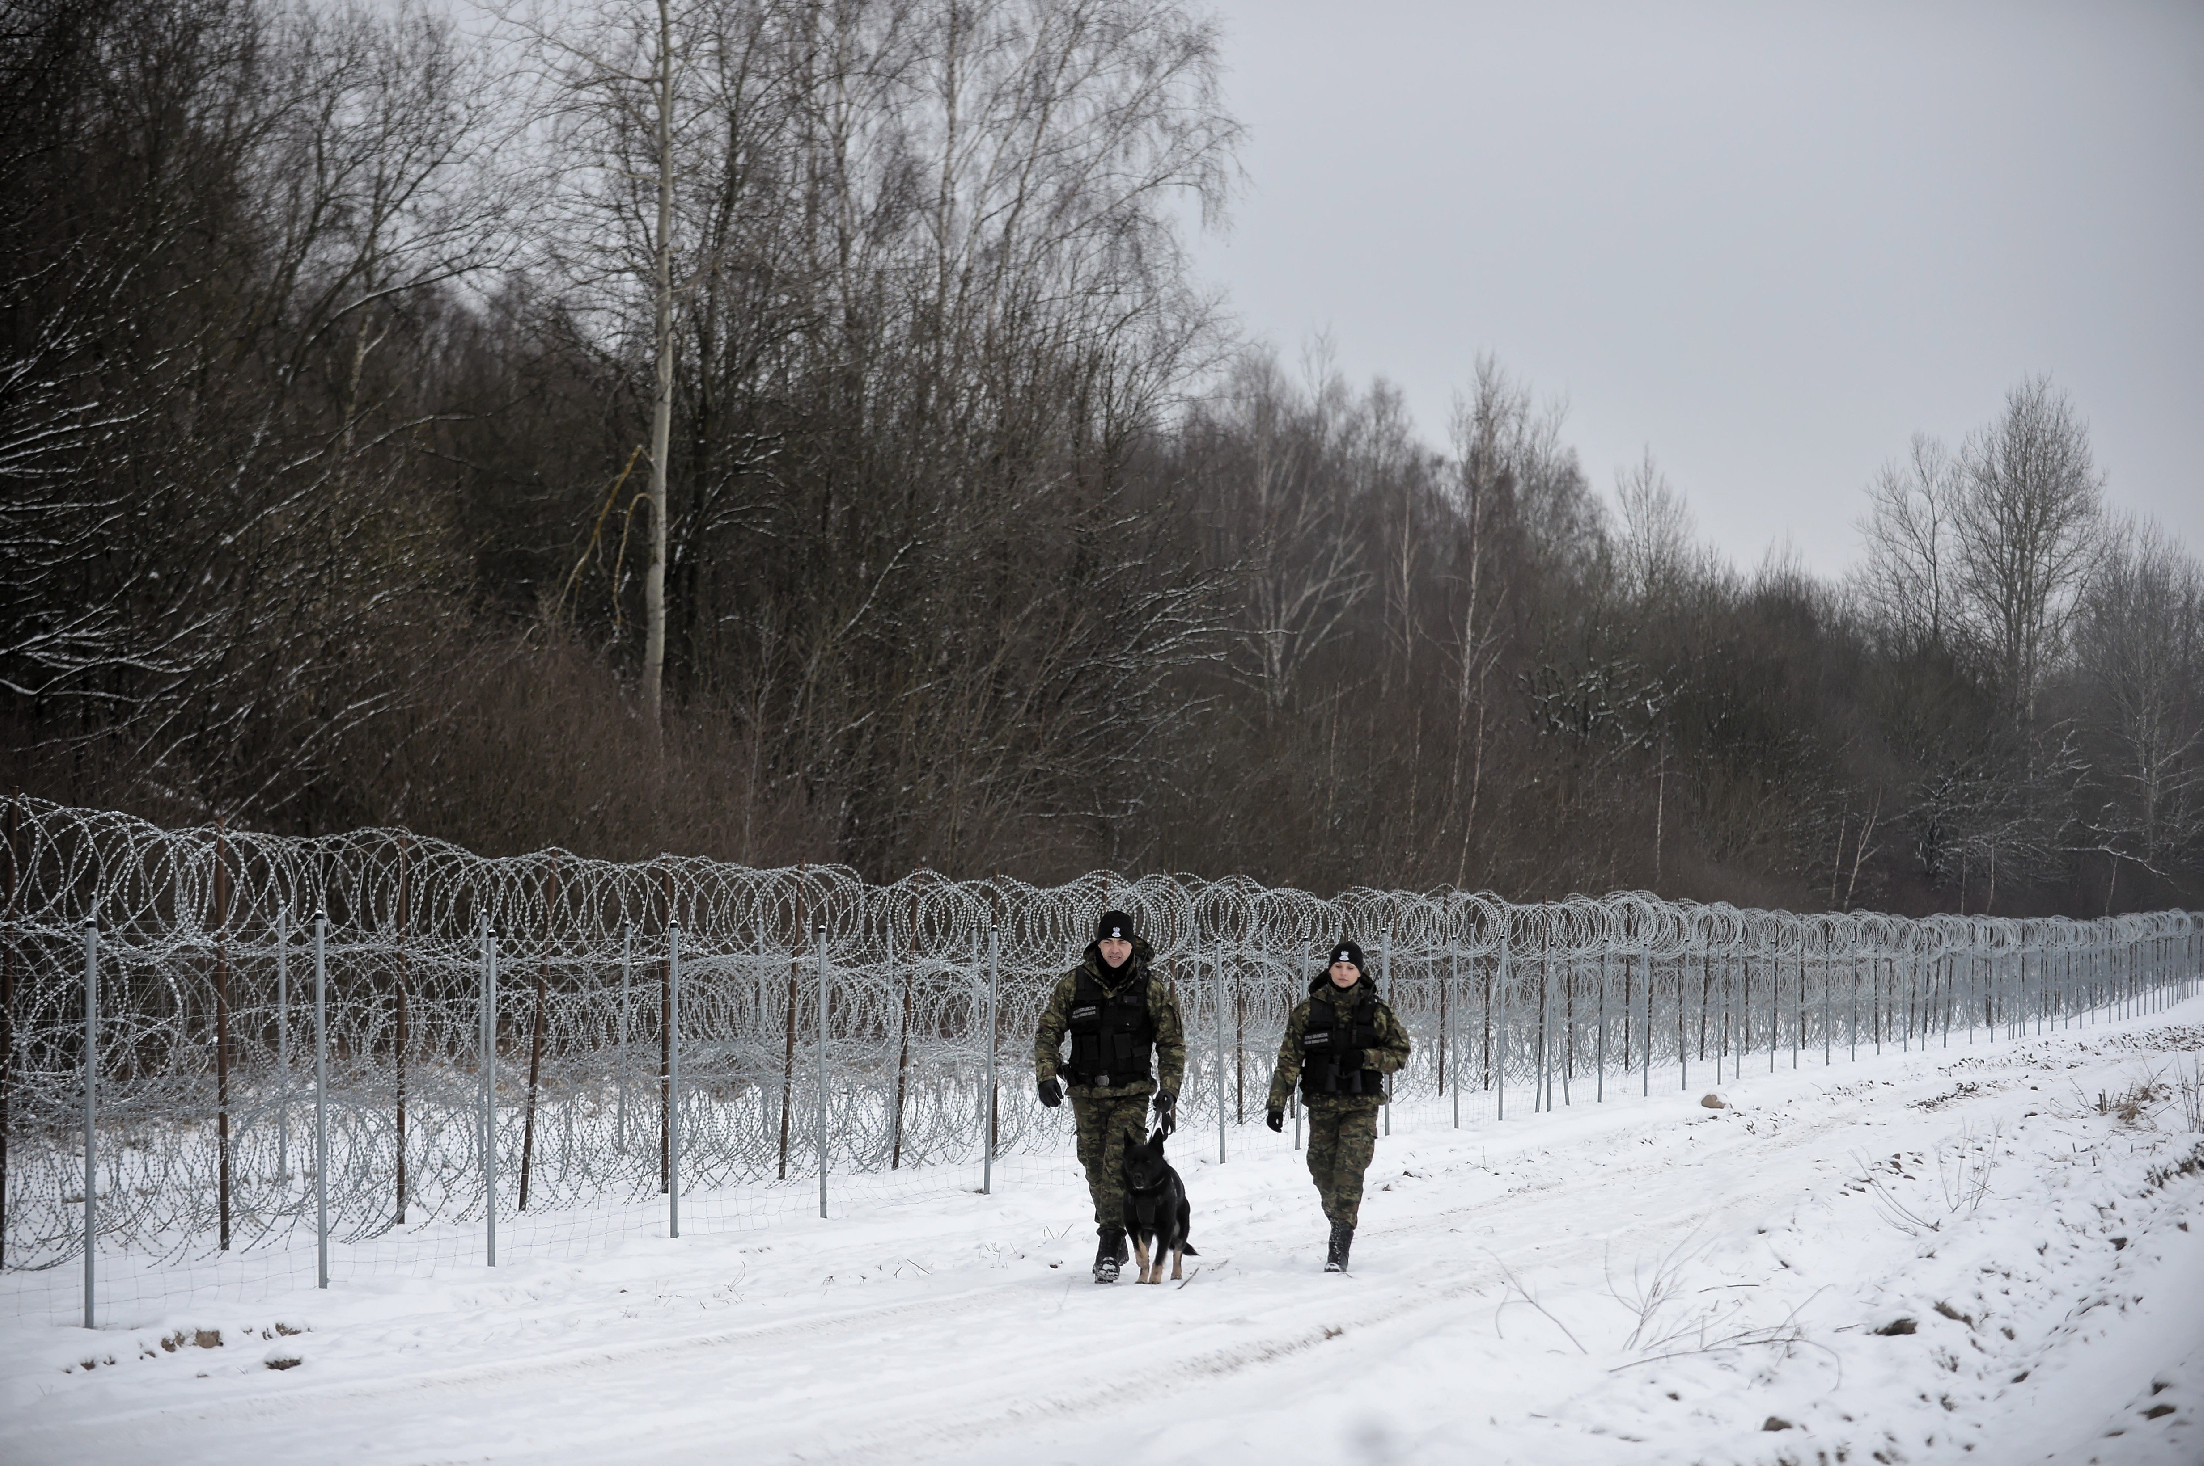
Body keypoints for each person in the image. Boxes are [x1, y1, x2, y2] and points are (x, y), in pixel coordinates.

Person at [1034, 910, 1186, 1283]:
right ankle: (1115, 1233)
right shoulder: (1074, 984)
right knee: (1093, 1164)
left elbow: (1171, 1043)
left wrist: (1169, 1091)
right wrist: (1046, 1074)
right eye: (1108, 943)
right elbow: (1048, 1029)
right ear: (1097, 945)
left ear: (1131, 945)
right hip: (1086, 1092)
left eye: (1121, 943)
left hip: (1132, 1092)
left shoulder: (1150, 987)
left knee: (1117, 1163)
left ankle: (1110, 1243)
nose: (1115, 950)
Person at [1264, 937, 1411, 1273]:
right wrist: (1276, 1103)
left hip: (1361, 1105)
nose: (1343, 973)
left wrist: (1366, 1058)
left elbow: (1400, 1053)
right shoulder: (1307, 1011)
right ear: (1329, 969)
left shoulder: (1376, 1012)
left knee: (1349, 1169)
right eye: (1338, 967)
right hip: (1322, 1104)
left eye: (1350, 968)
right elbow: (1289, 1060)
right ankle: (1339, 1215)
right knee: (1320, 1168)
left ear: (1359, 972)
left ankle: (1340, 1241)